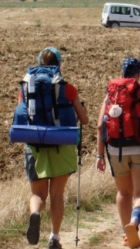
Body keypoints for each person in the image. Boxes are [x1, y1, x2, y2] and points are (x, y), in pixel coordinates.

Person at [95, 57, 140, 248]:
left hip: (115, 150)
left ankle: (125, 234)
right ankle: (133, 223)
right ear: (138, 74)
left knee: (123, 192)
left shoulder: (111, 95)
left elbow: (101, 125)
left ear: (121, 74)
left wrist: (100, 156)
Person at [23, 47, 89, 249]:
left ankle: (35, 212)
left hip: (35, 146)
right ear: (59, 64)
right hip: (62, 145)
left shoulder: (27, 87)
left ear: (38, 63)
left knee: (38, 195)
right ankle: (54, 238)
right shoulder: (67, 88)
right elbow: (84, 120)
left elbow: (24, 114)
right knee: (57, 195)